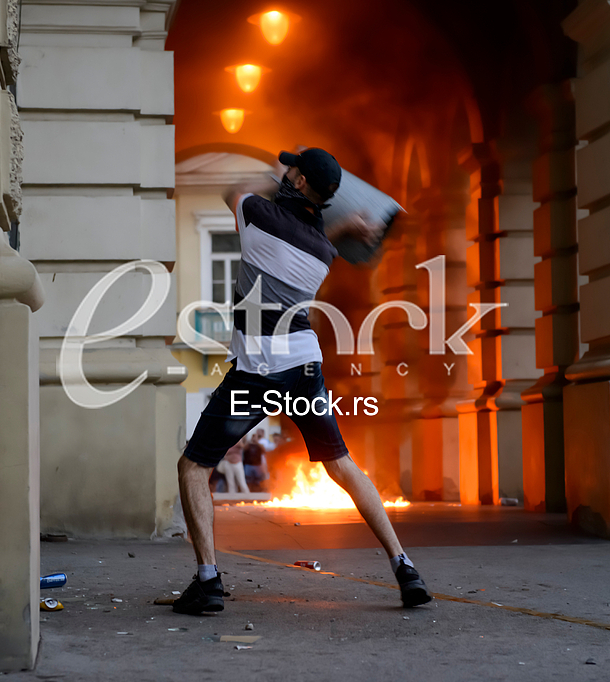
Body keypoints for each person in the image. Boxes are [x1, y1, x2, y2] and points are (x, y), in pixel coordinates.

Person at [173, 147, 432, 615]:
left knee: (193, 467)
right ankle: (404, 567)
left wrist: (281, 182)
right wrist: (339, 219)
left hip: (259, 371)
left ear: (301, 182)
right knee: (342, 466)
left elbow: (235, 193)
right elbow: (308, 234)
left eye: (292, 168)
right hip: (305, 367)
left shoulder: (255, 213)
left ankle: (208, 582)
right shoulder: (322, 251)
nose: (285, 170)